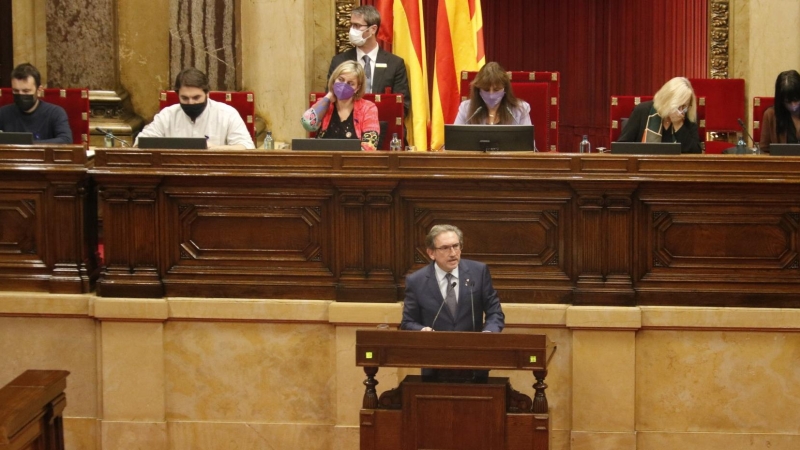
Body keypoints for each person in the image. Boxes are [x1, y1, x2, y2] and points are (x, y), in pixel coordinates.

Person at [401, 224, 505, 333]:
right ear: (431, 253)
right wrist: (422, 330)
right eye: (445, 248)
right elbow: (407, 322)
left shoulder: (478, 272)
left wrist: (489, 333)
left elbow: (495, 313)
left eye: (456, 246)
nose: (453, 253)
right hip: (435, 347)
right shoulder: (416, 281)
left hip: (472, 346)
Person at [134, 68, 255, 149]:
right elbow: (140, 144)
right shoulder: (167, 115)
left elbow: (246, 147)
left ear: (207, 93)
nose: (191, 103)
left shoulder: (227, 114)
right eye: (185, 98)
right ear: (178, 95)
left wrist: (213, 149)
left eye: (196, 97)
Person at [327, 5, 411, 117]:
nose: (352, 30)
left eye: (357, 26)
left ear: (373, 29)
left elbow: (403, 105)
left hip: (382, 127)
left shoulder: (395, 64)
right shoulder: (339, 61)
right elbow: (330, 98)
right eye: (352, 25)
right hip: (347, 126)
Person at [302, 61, 380, 151]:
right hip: (324, 161)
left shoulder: (368, 108)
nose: (343, 85)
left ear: (357, 88)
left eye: (350, 83)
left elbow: (369, 147)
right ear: (334, 79)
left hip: (353, 162)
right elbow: (307, 124)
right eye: (341, 80)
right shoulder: (324, 104)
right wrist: (328, 97)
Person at [617, 76, 701, 154]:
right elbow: (621, 147)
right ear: (666, 100)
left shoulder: (688, 115)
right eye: (678, 106)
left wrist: (678, 125)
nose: (682, 111)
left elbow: (695, 153)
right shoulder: (642, 111)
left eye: (685, 106)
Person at [0, 63, 72, 144]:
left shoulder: (55, 113)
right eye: (16, 91)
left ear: (39, 90)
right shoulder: (2, 113)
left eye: (26, 91)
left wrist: (28, 145)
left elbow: (66, 140)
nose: (20, 95)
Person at [454, 62, 532, 126]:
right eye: (486, 90)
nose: (491, 95)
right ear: (478, 90)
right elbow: (454, 141)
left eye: (496, 90)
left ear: (505, 89)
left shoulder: (521, 110)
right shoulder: (466, 109)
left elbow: (529, 144)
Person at [759, 70, 800, 153]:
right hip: (782, 165)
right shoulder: (770, 115)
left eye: (796, 100)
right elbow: (764, 150)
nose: (793, 105)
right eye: (788, 101)